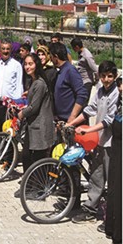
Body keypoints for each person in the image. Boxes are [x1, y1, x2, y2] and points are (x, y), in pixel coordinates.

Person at [67, 61, 119, 224]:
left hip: (112, 143)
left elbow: (109, 120)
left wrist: (88, 130)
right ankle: (91, 208)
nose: (106, 79)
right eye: (103, 76)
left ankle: (111, 216)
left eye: (110, 76)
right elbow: (90, 110)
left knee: (112, 181)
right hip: (100, 141)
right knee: (96, 175)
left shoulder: (116, 93)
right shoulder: (99, 90)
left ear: (115, 76)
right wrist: (72, 122)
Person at [17, 54, 55, 172]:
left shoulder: (39, 83)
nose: (27, 67)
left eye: (30, 64)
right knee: (27, 155)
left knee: (37, 159)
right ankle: (30, 186)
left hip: (40, 126)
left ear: (36, 65)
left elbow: (34, 107)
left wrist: (22, 113)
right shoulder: (33, 81)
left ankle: (36, 186)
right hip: (33, 125)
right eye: (26, 64)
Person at [0, 39, 23, 135]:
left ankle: (9, 150)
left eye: (7, 49)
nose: (5, 51)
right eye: (3, 49)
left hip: (8, 106)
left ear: (10, 50)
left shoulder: (16, 65)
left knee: (7, 130)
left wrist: (16, 104)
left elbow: (19, 86)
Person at [50, 42, 88, 123]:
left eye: (51, 57)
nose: (50, 59)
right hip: (60, 120)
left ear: (56, 57)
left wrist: (72, 117)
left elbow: (82, 94)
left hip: (69, 121)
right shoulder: (60, 72)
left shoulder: (70, 71)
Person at [105, 76, 121, 242]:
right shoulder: (119, 104)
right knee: (114, 191)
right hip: (116, 152)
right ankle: (112, 228)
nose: (121, 89)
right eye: (120, 84)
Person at [71, 38, 99, 105]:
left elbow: (95, 68)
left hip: (86, 82)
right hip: (82, 81)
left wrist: (96, 80)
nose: (73, 50)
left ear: (77, 47)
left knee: (83, 103)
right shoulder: (81, 53)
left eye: (73, 48)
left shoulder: (87, 55)